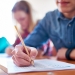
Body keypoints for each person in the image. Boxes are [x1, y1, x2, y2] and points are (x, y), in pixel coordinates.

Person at [12, 0, 75, 67]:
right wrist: (20, 52)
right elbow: (28, 43)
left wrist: (68, 53)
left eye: (22, 19)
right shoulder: (49, 19)